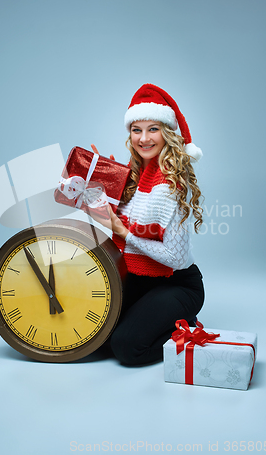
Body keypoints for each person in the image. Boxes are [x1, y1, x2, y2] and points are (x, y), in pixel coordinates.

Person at [90, 83, 205, 366]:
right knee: (96, 339)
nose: (144, 138)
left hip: (176, 284)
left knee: (127, 349)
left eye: (153, 129)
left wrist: (125, 233)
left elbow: (176, 259)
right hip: (138, 279)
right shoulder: (132, 176)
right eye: (136, 129)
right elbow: (114, 226)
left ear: (167, 133)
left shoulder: (172, 186)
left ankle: (186, 326)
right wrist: (102, 183)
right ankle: (159, 319)